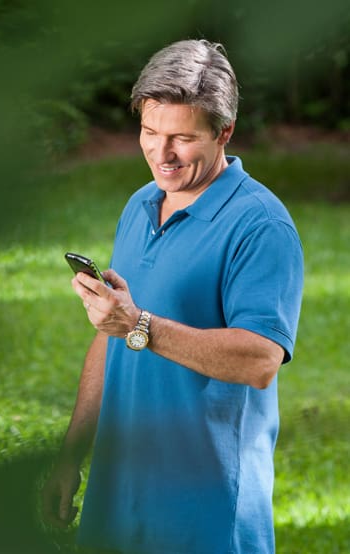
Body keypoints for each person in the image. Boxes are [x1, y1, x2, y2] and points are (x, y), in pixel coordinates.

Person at [42, 39, 304, 554]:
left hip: (205, 505)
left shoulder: (261, 225)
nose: (161, 154)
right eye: (149, 132)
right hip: (119, 491)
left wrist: (139, 325)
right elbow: (111, 336)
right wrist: (70, 458)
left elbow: (260, 360)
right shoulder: (141, 204)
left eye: (182, 138)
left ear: (224, 131)